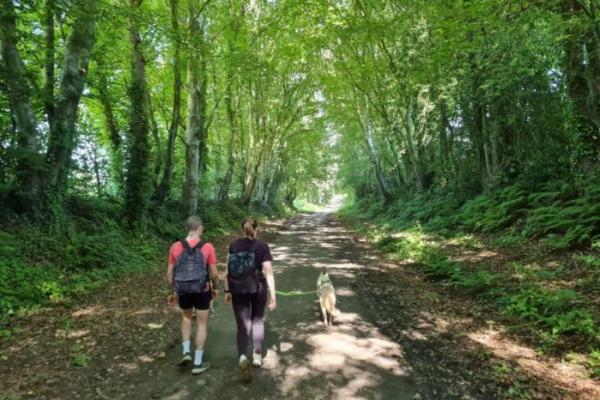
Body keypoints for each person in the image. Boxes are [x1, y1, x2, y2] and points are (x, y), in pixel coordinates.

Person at [224, 217, 276, 376]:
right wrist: (273, 296)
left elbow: (227, 271)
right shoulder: (262, 246)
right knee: (257, 320)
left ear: (242, 229)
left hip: (237, 288)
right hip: (258, 287)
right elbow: (268, 272)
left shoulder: (233, 245)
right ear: (257, 228)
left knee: (242, 324)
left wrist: (227, 291)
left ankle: (241, 356)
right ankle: (257, 355)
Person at [166, 216, 218, 375]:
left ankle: (186, 353)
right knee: (202, 323)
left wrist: (172, 292)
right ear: (200, 228)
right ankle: (197, 362)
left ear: (187, 228)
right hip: (202, 290)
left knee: (186, 318)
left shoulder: (175, 246)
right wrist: (214, 288)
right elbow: (214, 273)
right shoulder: (207, 246)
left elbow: (169, 274)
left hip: (183, 289)